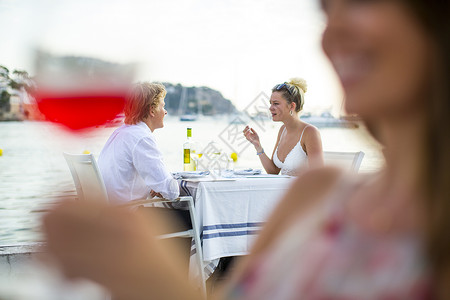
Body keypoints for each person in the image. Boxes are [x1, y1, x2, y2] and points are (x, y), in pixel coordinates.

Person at [43, 0, 450, 299]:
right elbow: (273, 173)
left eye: (361, 4)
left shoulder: (319, 176)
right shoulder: (317, 191)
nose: (330, 33)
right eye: (326, 10)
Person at [98, 82, 179, 203]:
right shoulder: (142, 138)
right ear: (152, 110)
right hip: (127, 213)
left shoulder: (120, 133)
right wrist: (167, 183)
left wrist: (154, 186)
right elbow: (172, 192)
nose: (165, 112)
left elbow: (126, 176)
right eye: (162, 106)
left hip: (109, 210)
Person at [243, 78, 323, 176]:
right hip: (281, 190)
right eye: (270, 103)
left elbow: (319, 176)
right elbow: (273, 171)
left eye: (276, 103)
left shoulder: (310, 132)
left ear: (291, 106)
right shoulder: (282, 130)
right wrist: (258, 146)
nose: (270, 108)